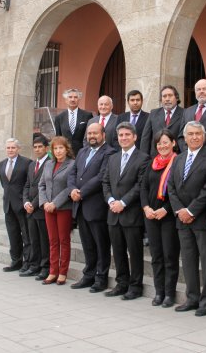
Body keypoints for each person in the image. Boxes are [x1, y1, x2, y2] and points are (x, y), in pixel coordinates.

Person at [167, 121, 206, 317]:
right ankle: (192, 298)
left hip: (202, 218)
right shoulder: (178, 159)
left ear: (203, 137)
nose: (194, 137)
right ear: (184, 138)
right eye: (191, 134)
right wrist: (180, 210)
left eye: (198, 134)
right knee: (188, 261)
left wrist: (191, 210)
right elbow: (171, 186)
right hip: (182, 219)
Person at [102, 122, 149, 300]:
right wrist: (111, 200)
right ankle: (122, 283)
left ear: (135, 137)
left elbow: (140, 185)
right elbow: (105, 182)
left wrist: (123, 202)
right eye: (120, 135)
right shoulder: (112, 158)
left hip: (131, 214)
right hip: (113, 213)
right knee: (118, 251)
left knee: (135, 253)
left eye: (127, 135)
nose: (123, 138)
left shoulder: (143, 158)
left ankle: (135, 287)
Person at [68, 123, 116, 293]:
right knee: (87, 244)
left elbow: (102, 176)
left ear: (103, 134)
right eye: (89, 133)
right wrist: (72, 189)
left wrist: (81, 192)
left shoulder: (109, 152)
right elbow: (72, 173)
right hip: (80, 206)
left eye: (95, 133)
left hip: (96, 206)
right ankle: (88, 275)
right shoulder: (82, 151)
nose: (92, 136)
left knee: (101, 245)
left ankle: (101, 278)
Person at [140, 129, 180, 308]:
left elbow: (179, 191)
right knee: (156, 256)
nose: (162, 146)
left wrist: (166, 209)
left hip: (168, 216)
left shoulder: (177, 162)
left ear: (173, 143)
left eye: (166, 142)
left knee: (169, 256)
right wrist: (146, 208)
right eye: (159, 143)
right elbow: (143, 188)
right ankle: (159, 292)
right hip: (151, 215)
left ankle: (170, 294)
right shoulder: (152, 163)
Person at [37, 136, 75, 285]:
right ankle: (53, 271)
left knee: (63, 240)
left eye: (61, 148)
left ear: (66, 149)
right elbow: (41, 185)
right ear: (52, 151)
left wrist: (55, 203)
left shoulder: (72, 165)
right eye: (55, 148)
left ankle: (63, 272)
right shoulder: (47, 164)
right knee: (52, 241)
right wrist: (45, 202)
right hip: (48, 208)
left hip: (63, 208)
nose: (58, 151)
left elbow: (69, 187)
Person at [0, 138, 32, 273]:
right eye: (8, 148)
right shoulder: (1, 164)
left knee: (26, 235)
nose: (10, 150)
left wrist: (25, 200)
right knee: (13, 235)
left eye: (13, 148)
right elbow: (4, 184)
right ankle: (16, 261)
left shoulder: (27, 163)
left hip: (22, 204)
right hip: (8, 205)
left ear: (18, 149)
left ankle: (27, 262)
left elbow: (28, 183)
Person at [22, 134, 51, 280]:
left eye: (40, 147)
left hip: (41, 208)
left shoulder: (50, 163)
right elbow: (27, 185)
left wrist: (33, 204)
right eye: (35, 147)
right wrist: (26, 201)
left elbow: (45, 188)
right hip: (30, 210)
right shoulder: (32, 164)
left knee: (44, 240)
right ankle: (34, 265)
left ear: (46, 148)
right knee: (33, 239)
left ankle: (45, 268)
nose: (38, 149)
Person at [54, 88, 93, 156]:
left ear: (79, 99)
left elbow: (90, 135)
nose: (73, 99)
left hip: (83, 153)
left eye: (75, 97)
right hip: (65, 154)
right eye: (70, 97)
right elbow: (58, 138)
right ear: (66, 100)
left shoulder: (87, 115)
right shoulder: (59, 118)